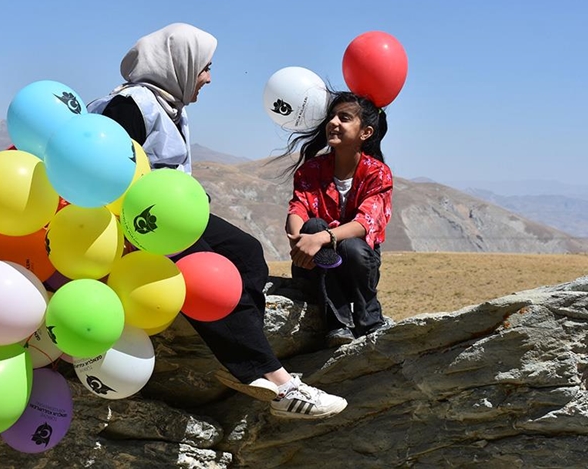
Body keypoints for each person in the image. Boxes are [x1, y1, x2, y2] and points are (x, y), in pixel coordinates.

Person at [88, 22, 347, 419]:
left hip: (168, 214)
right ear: (179, 64)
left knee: (246, 252)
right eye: (204, 67)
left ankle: (248, 354)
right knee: (208, 275)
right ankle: (276, 382)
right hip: (140, 225)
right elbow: (110, 178)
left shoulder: (169, 104)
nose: (208, 78)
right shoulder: (132, 105)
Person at [279, 91, 392, 348]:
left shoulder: (378, 174)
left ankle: (369, 319)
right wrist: (300, 241)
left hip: (357, 268)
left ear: (365, 133)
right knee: (312, 225)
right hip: (314, 268)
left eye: (344, 118)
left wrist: (319, 238)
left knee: (350, 244)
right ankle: (337, 325)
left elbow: (366, 223)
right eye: (332, 116)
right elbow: (298, 208)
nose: (333, 122)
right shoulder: (311, 170)